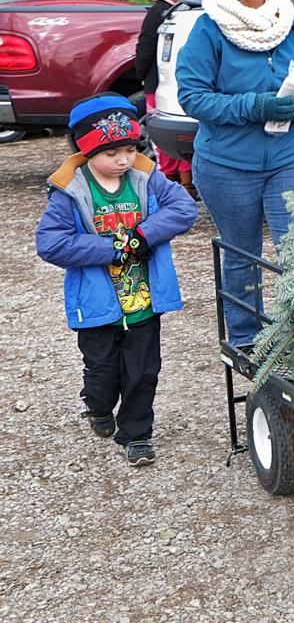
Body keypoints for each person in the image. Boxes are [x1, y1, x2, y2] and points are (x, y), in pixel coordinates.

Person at [175, 0, 294, 348]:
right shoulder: (209, 29)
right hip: (228, 165)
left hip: (291, 157)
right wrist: (253, 105)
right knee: (243, 256)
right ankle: (247, 340)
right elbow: (194, 98)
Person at [36, 94, 198, 467]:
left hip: (143, 302)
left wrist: (142, 236)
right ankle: (97, 405)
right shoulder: (69, 190)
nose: (122, 160)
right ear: (86, 149)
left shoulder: (146, 177)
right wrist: (111, 249)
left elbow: (184, 208)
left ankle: (137, 433)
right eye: (111, 153)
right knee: (102, 375)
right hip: (97, 305)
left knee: (143, 374)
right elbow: (51, 244)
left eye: (129, 149)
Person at [135, 0, 196, 197]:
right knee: (181, 141)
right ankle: (188, 185)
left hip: (157, 82)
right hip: (180, 83)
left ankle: (171, 190)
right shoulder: (185, 7)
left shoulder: (157, 12)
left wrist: (141, 75)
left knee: (162, 140)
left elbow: (145, 49)